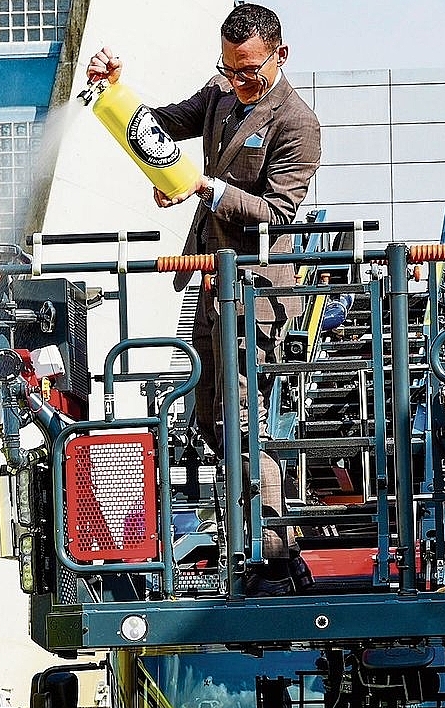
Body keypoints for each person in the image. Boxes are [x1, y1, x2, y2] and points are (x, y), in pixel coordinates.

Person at [87, 4, 322, 583]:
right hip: (211, 279)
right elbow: (161, 124)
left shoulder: (298, 123)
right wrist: (117, 90)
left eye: (249, 72)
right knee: (211, 420)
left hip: (256, 289)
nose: (237, 82)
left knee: (241, 420)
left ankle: (271, 548)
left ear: (280, 56)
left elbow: (280, 211)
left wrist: (204, 188)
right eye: (228, 69)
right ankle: (260, 536)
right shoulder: (220, 93)